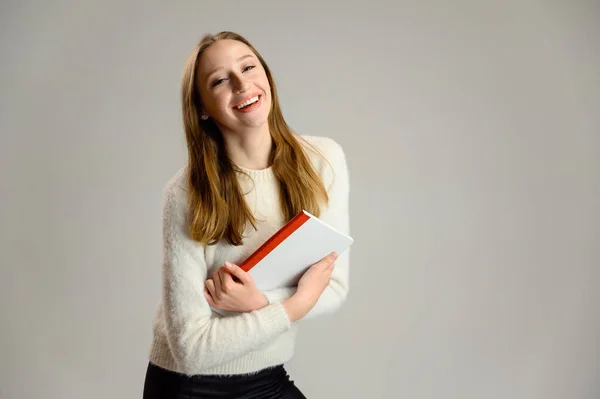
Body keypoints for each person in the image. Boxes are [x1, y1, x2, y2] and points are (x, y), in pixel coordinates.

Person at [142, 31, 351, 399]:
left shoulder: (323, 161)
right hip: (190, 387)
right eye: (220, 80)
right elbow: (191, 349)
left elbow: (332, 288)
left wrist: (259, 303)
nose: (242, 84)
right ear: (203, 107)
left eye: (248, 66)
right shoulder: (186, 194)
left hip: (267, 377)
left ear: (266, 76)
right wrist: (294, 305)